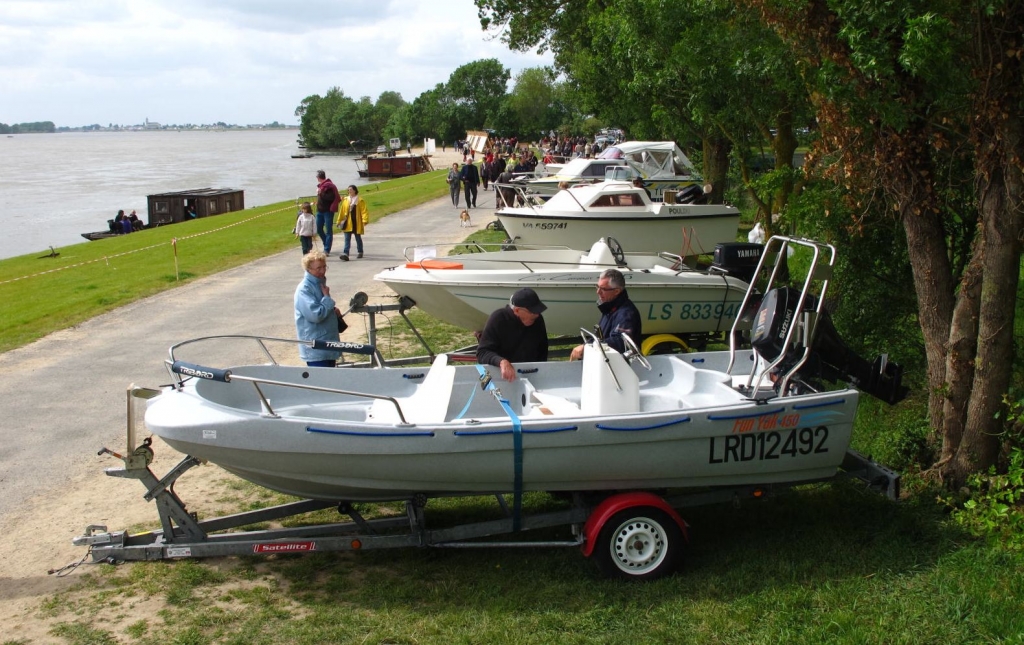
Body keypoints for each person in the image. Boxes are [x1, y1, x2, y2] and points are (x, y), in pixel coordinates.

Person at [477, 288, 549, 381]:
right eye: (532, 312)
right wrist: (501, 361)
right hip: (501, 377)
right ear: (517, 310)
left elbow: (542, 350)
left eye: (538, 311)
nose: (536, 315)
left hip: (530, 375)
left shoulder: (537, 320)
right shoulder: (498, 319)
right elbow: (482, 352)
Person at [569, 269, 642, 360]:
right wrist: (586, 345)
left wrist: (587, 347)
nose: (598, 292)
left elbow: (620, 342)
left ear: (616, 291)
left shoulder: (626, 313)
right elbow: (600, 338)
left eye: (603, 289)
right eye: (597, 287)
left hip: (621, 367)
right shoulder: (609, 308)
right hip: (606, 363)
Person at [294, 250, 343, 367]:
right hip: (315, 348)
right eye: (318, 268)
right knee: (321, 382)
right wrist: (327, 299)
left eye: (324, 267)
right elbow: (315, 315)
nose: (322, 271)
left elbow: (323, 308)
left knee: (330, 381)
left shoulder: (319, 284)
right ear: (308, 269)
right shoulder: (304, 289)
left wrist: (333, 311)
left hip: (328, 344)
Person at [336, 184, 368, 261]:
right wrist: (339, 221)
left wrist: (365, 220)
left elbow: (364, 211)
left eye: (350, 189)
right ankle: (346, 253)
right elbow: (342, 211)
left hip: (356, 222)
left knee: (358, 238)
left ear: (355, 190)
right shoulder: (346, 200)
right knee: (347, 238)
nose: (349, 191)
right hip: (348, 222)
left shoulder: (360, 200)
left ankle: (360, 251)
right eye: (348, 189)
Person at [315, 170, 340, 256]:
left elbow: (330, 198)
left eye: (317, 177)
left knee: (328, 230)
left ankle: (326, 250)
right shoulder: (321, 186)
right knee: (318, 229)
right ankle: (327, 243)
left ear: (319, 177)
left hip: (328, 211)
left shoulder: (329, 186)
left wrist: (320, 193)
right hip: (319, 211)